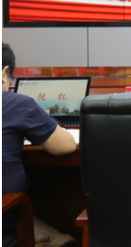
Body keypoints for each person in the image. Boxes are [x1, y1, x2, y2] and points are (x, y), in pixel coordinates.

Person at [3, 43, 78, 247]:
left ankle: (53, 238)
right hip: (6, 214)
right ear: (4, 73)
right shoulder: (17, 104)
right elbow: (66, 146)